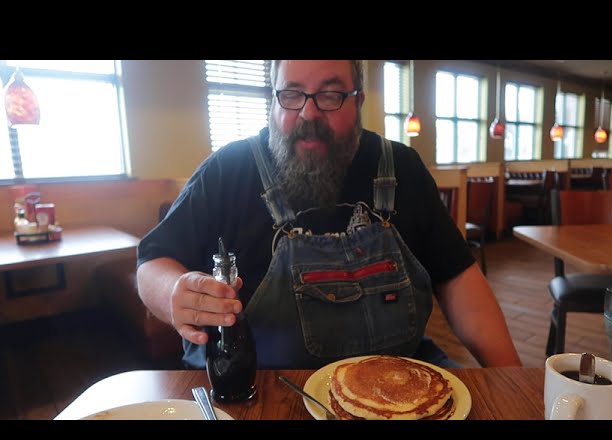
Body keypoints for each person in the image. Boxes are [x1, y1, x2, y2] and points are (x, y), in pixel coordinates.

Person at [136, 60, 522, 370]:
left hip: (401, 381)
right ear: (273, 99)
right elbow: (152, 262)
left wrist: (513, 382)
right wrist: (173, 291)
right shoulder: (227, 171)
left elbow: (458, 279)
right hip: (261, 389)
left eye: (330, 95)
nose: (308, 113)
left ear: (358, 101)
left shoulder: (401, 167)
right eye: (291, 94)